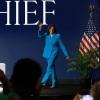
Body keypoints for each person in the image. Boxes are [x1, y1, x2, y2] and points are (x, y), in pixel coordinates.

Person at [37, 21, 69, 88]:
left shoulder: (57, 36)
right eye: (50, 29)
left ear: (54, 29)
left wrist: (66, 55)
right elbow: (39, 36)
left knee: (49, 67)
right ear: (48, 29)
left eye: (53, 29)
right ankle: (54, 82)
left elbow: (62, 45)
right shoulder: (46, 35)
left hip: (54, 53)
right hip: (47, 54)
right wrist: (40, 28)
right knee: (51, 68)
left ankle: (43, 81)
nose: (51, 30)